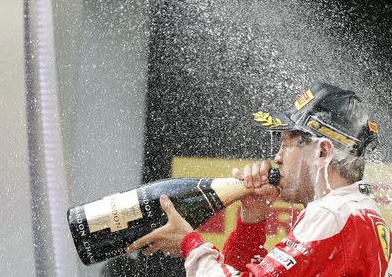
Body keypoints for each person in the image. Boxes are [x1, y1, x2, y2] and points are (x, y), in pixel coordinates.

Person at [127, 82, 392, 276]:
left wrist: (190, 243)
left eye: (286, 144)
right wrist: (251, 222)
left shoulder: (333, 214)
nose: (277, 157)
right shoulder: (358, 213)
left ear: (322, 152)